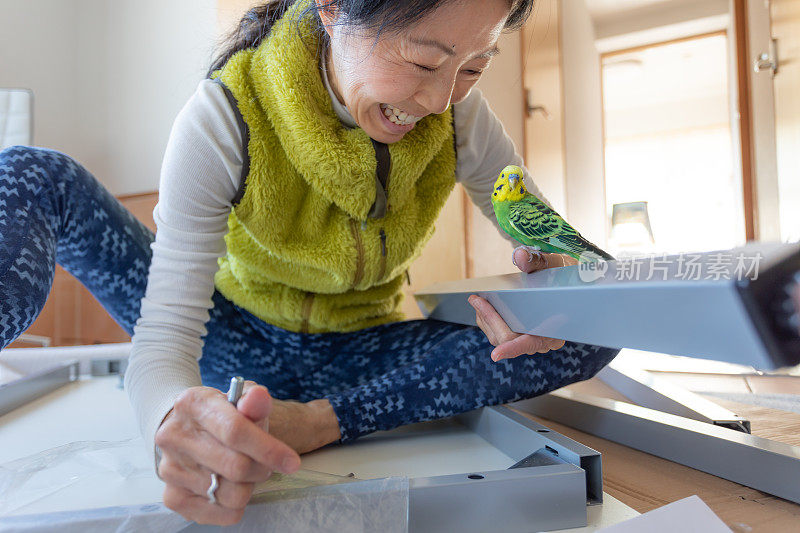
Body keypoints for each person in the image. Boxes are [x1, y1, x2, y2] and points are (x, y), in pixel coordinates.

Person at [0, 0, 618, 525]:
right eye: (423, 61)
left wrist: (561, 288)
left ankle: (318, 423)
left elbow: (571, 255)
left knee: (600, 324)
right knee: (31, 175)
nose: (438, 99)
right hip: (230, 336)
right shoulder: (224, 115)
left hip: (359, 359)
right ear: (330, 8)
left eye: (475, 66)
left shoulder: (464, 120)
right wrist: (171, 414)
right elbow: (164, 337)